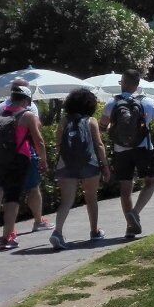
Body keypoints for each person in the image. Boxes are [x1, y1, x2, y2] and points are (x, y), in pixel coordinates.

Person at [100, 69, 154, 239]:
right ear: (137, 84)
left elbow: (102, 129)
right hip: (144, 149)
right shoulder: (149, 102)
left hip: (121, 151)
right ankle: (135, 212)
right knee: (151, 182)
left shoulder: (112, 103)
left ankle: (130, 227)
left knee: (125, 189)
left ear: (123, 82)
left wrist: (111, 130)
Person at [0, 78, 52, 239]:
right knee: (28, 190)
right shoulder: (27, 113)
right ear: (26, 99)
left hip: (1, 157)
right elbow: (39, 139)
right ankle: (28, 225)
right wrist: (43, 159)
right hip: (22, 156)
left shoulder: (0, 109)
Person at [49, 88, 110, 249]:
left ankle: (58, 232)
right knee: (91, 198)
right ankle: (94, 231)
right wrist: (105, 166)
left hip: (66, 164)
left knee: (66, 201)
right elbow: (99, 145)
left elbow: (58, 144)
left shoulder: (64, 121)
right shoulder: (91, 121)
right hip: (89, 163)